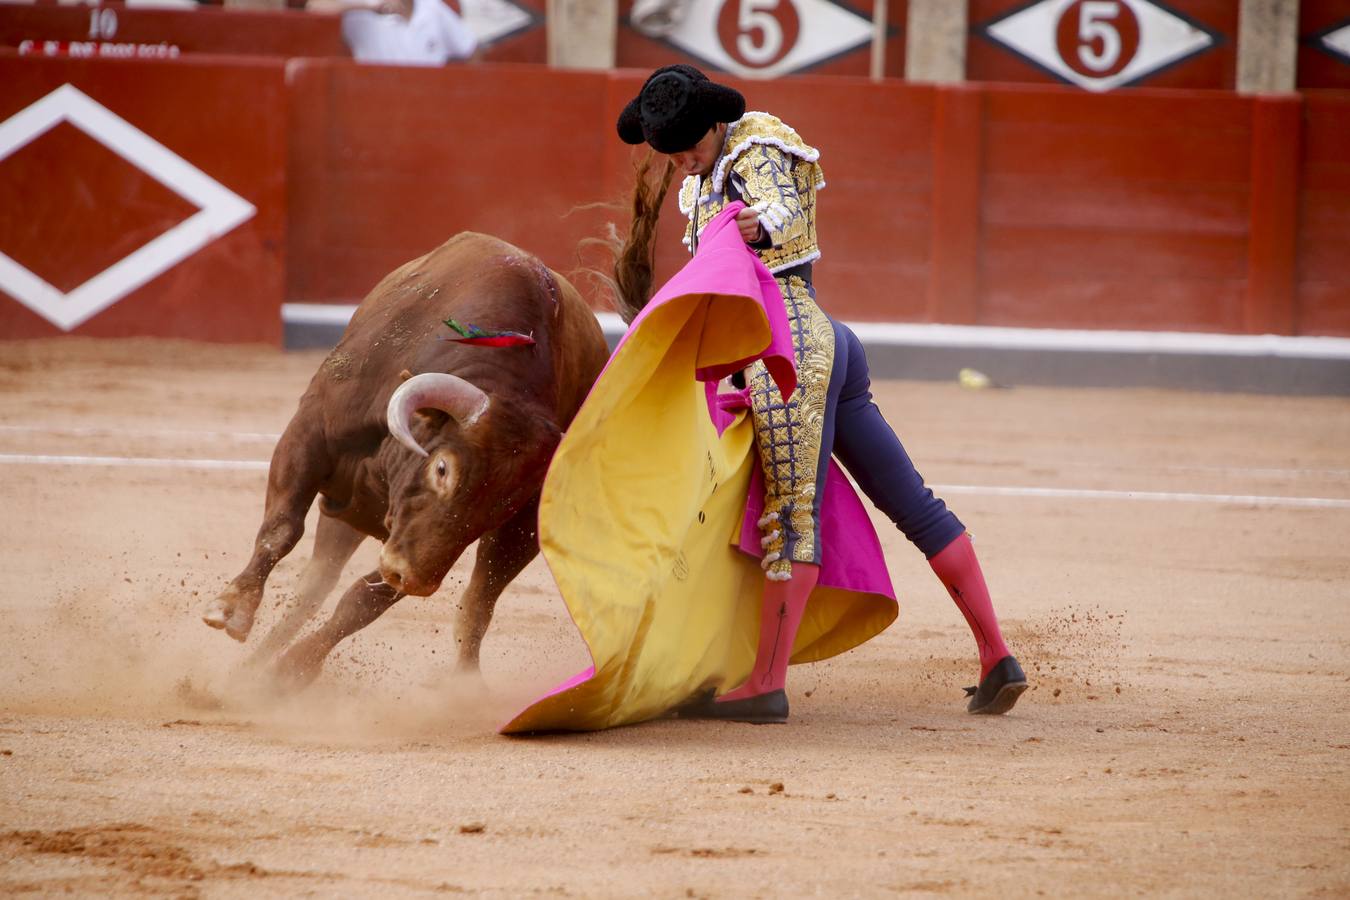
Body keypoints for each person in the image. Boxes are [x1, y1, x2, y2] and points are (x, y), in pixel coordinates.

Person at [610, 64, 1028, 721]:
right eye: (675, 153)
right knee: (912, 504)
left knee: (790, 514)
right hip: (814, 344)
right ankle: (998, 656)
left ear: (716, 126)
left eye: (690, 148)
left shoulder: (755, 147)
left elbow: (780, 210)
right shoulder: (710, 171)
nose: (685, 163)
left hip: (789, 348)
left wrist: (755, 228)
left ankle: (764, 685)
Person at [307, 0, 477, 66]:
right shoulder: (367, 4)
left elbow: (470, 49)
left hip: (428, 101)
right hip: (378, 99)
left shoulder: (431, 7)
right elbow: (314, 7)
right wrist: (371, 9)